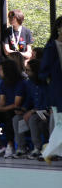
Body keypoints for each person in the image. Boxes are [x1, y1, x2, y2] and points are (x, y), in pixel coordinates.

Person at [37, 16, 62, 162]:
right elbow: (43, 72)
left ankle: (50, 149)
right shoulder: (51, 47)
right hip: (57, 92)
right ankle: (48, 150)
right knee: (60, 124)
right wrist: (51, 86)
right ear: (58, 28)